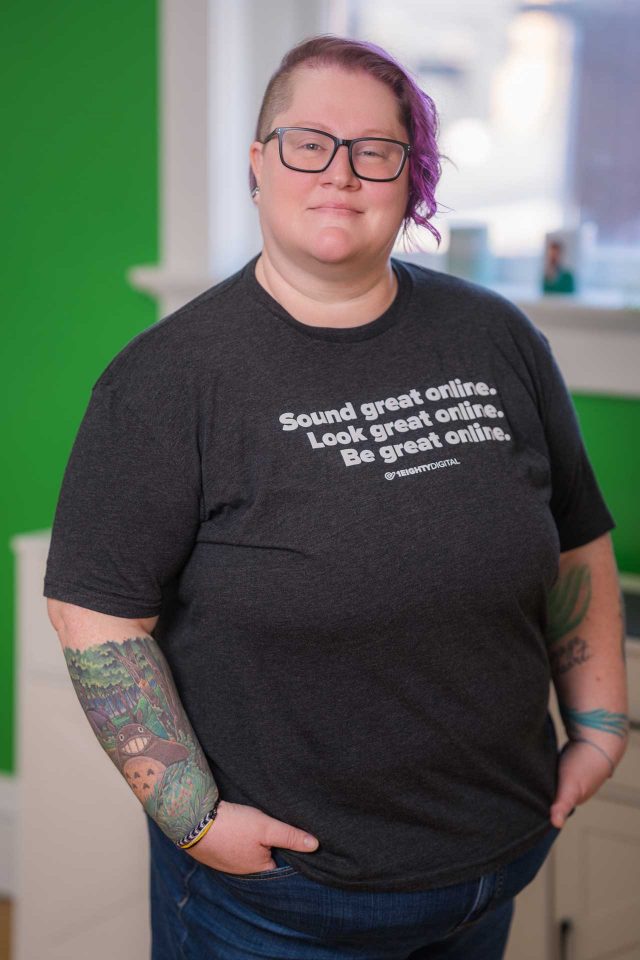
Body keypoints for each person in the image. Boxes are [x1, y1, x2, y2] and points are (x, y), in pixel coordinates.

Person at [43, 34, 628, 960]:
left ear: (412, 176)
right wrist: (195, 820)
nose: (341, 174)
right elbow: (93, 613)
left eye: (375, 151)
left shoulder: (495, 336)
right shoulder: (167, 380)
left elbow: (575, 540)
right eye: (307, 142)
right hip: (283, 906)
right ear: (257, 163)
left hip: (495, 863)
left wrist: (598, 727)